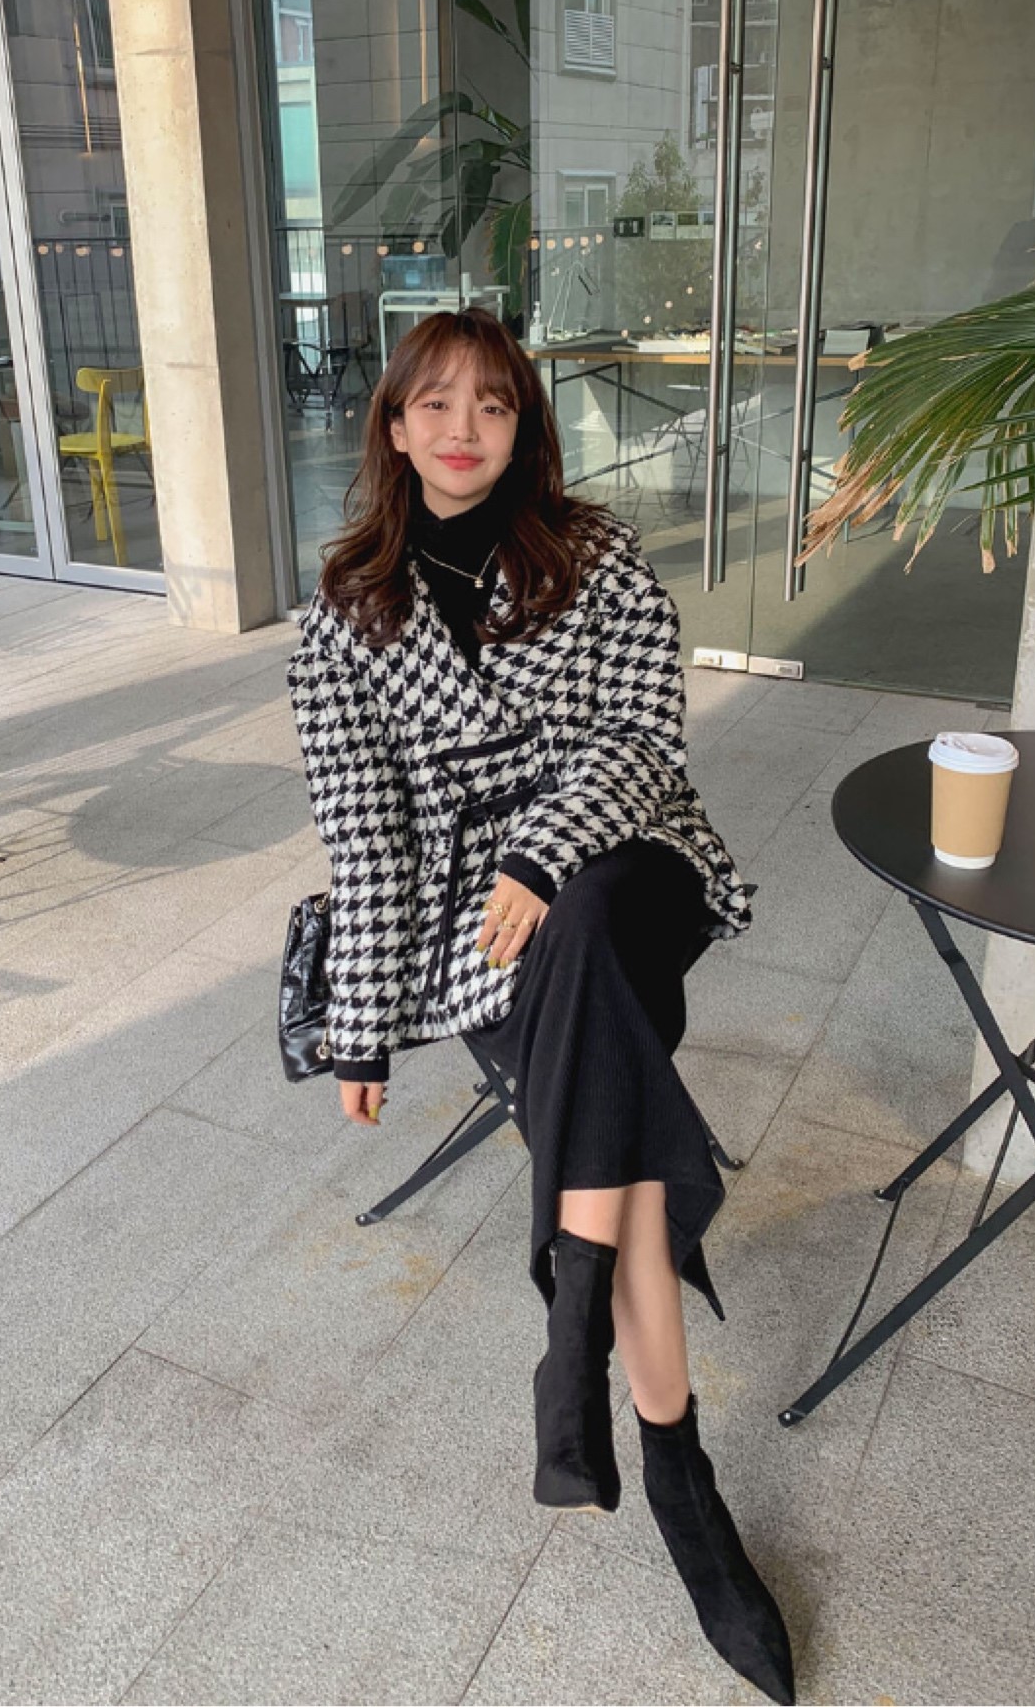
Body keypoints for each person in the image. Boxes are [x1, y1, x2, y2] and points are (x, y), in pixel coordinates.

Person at [287, 307, 794, 1705]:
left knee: (582, 925)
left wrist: (540, 853)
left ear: (524, 427)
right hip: (479, 925)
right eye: (435, 403)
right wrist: (363, 1022)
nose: (463, 428)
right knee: (607, 1102)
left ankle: (573, 1355)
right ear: (395, 427)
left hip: (627, 856)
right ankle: (674, 1462)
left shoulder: (596, 552)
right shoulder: (344, 614)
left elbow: (644, 738)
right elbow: (367, 837)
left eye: (493, 404)